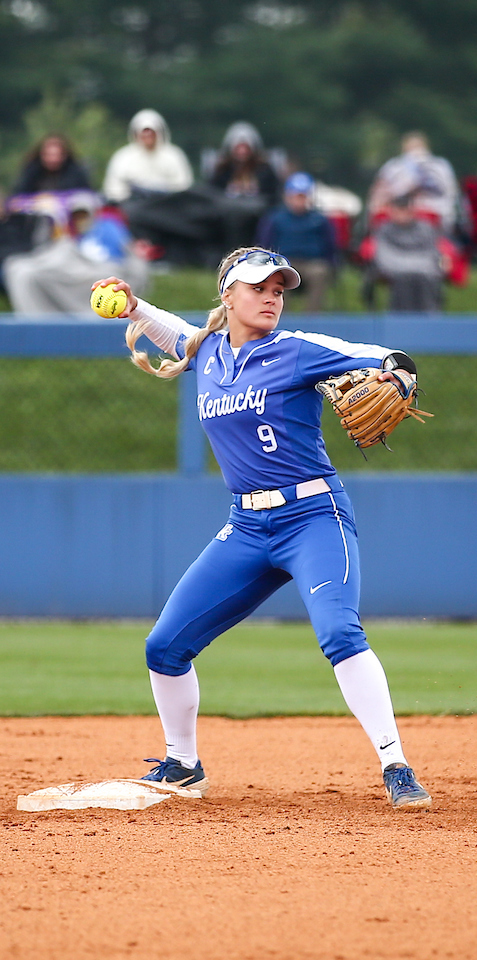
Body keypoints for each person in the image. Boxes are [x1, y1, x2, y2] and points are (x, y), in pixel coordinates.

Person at [90, 247, 432, 811]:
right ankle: (183, 764)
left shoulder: (297, 351)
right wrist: (132, 306)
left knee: (340, 634)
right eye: (258, 287)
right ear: (228, 295)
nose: (272, 295)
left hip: (313, 516)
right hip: (248, 525)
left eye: (279, 287)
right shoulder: (208, 354)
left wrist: (398, 373)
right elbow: (173, 332)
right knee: (164, 646)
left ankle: (396, 765)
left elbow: (385, 356)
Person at [4, 193, 148, 315]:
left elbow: (128, 253)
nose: (81, 220)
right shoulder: (70, 236)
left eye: (84, 215)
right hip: (72, 268)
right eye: (77, 216)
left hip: (103, 271)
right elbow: (60, 254)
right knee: (21, 269)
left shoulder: (108, 227)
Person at [256, 172, 338, 311]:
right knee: (279, 273)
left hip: (312, 263)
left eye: (303, 196)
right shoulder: (275, 218)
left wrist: (333, 264)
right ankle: (280, 315)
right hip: (284, 261)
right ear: (287, 196)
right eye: (295, 196)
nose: (299, 200)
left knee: (320, 272)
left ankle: (312, 318)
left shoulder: (319, 219)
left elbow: (330, 246)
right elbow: (264, 244)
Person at [367, 131, 460, 234]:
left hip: (433, 218)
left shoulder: (439, 166)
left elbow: (449, 195)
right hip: (396, 218)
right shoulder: (393, 167)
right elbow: (379, 195)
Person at [370, 193, 445, 312]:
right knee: (404, 279)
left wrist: (418, 267)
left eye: (405, 210)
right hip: (396, 269)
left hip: (424, 271)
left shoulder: (426, 229)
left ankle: (430, 318)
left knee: (426, 279)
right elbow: (383, 255)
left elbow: (432, 254)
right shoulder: (384, 230)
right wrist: (407, 266)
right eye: (398, 210)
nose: (402, 214)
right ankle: (399, 320)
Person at [102, 108, 193, 202]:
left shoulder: (174, 156)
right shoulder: (123, 158)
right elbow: (113, 189)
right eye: (143, 134)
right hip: (133, 207)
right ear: (135, 134)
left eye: (151, 133)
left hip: (167, 206)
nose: (147, 138)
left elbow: (183, 186)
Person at [11, 134, 91, 195]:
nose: (53, 159)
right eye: (49, 155)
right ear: (41, 155)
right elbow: (18, 194)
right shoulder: (31, 172)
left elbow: (85, 195)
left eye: (57, 155)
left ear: (64, 156)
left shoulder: (75, 173)